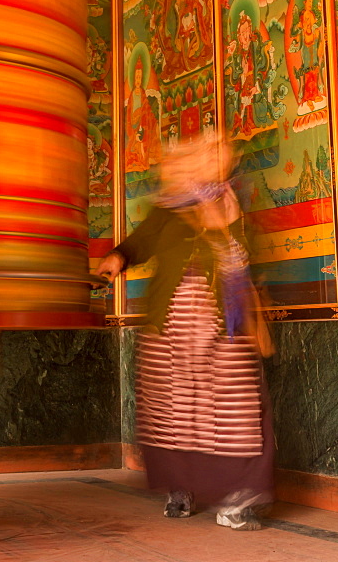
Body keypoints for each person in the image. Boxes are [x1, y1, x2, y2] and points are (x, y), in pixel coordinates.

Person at [97, 131, 274, 531]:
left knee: (234, 412)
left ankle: (237, 498)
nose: (220, 157)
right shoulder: (169, 208)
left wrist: (222, 226)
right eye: (211, 152)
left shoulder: (232, 201)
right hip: (172, 329)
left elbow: (242, 259)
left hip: (224, 327)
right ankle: (181, 487)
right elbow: (142, 240)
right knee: (174, 413)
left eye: (223, 152)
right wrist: (119, 255)